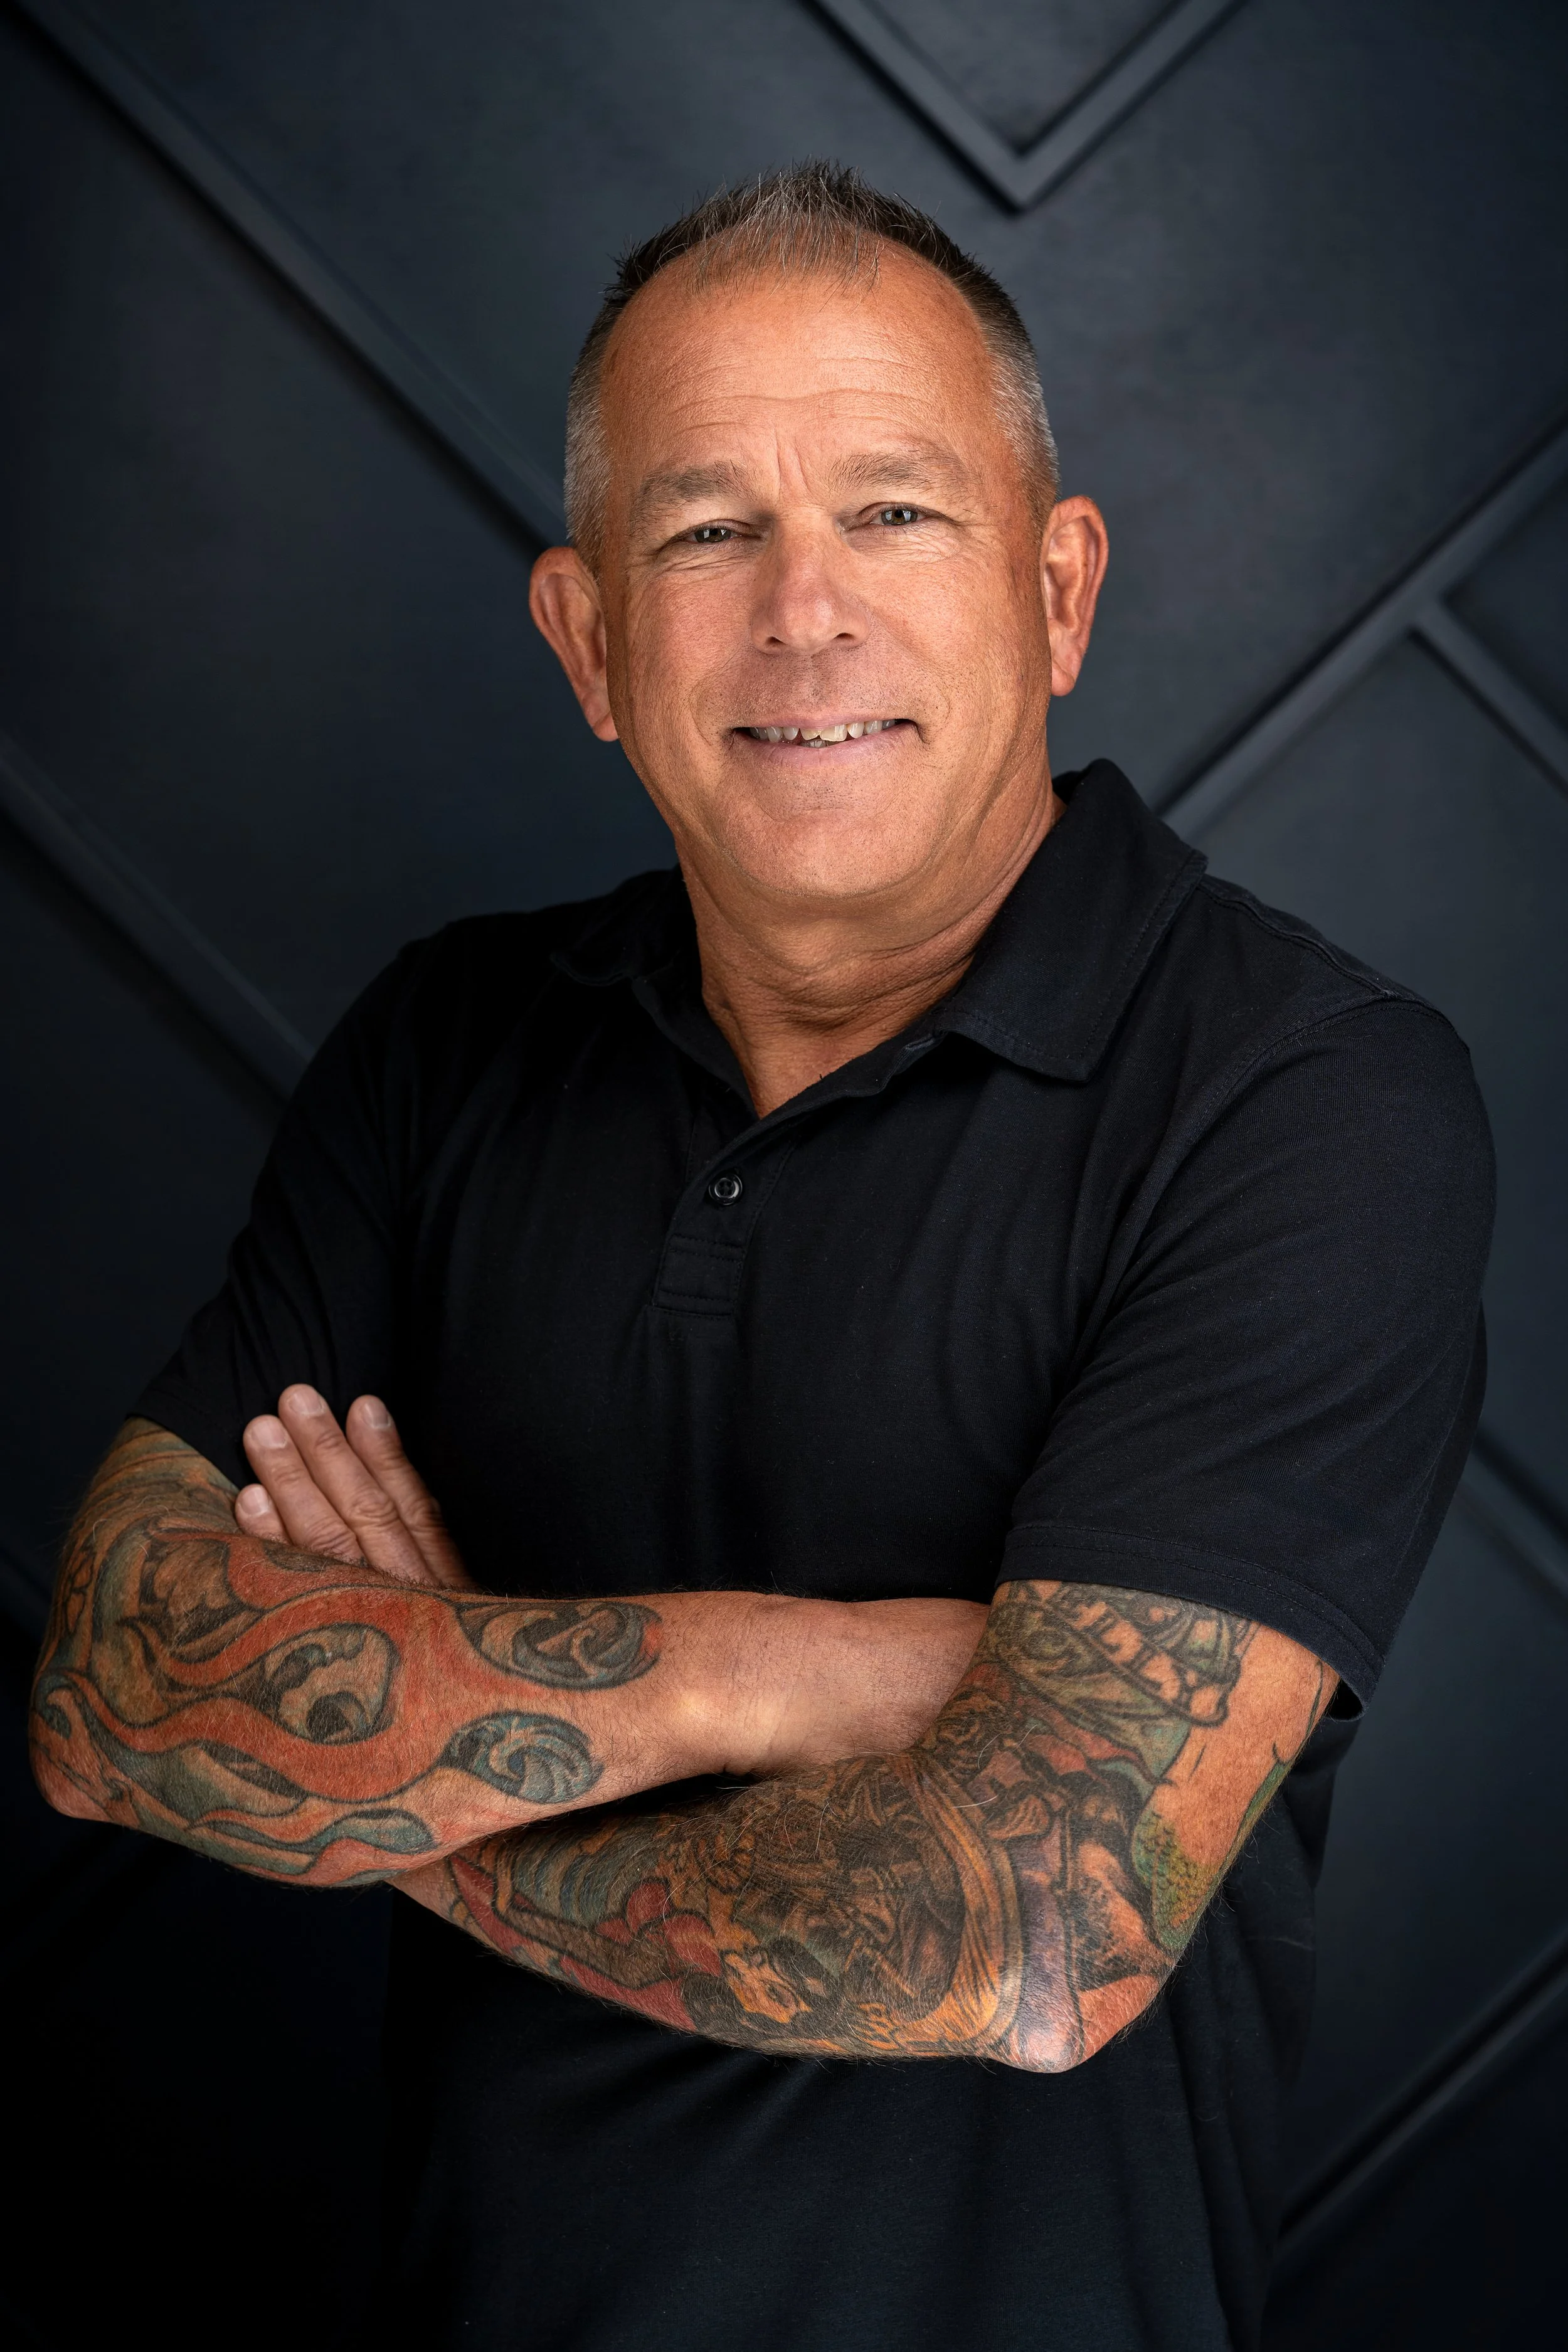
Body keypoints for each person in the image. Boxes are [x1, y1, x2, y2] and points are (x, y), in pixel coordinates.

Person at [31, 165, 1493, 2351]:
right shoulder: (453, 1043)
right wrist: (775, 1670)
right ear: (588, 639)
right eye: (706, 530)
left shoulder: (1306, 1097)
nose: (804, 614)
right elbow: (109, 1699)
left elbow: (1025, 1929)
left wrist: (429, 1766)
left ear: (1058, 586)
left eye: (893, 511)